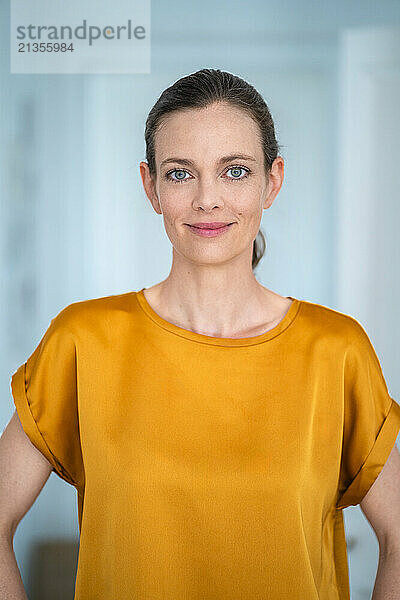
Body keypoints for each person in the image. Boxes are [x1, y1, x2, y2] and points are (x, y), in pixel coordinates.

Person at [1, 68, 400, 600]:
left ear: (272, 181)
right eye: (181, 174)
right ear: (151, 186)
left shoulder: (336, 350)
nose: (208, 200)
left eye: (234, 171)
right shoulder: (83, 340)